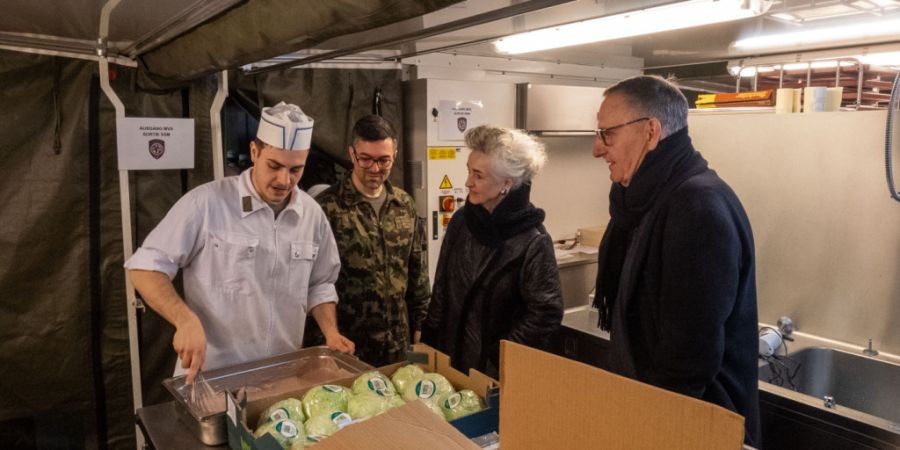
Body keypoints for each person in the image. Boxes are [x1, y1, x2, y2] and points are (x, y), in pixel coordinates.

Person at [126, 102, 354, 384]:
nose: (285, 180)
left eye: (296, 169)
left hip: (281, 376)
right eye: (274, 166)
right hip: (212, 376)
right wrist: (183, 320)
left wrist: (331, 333)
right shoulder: (207, 203)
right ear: (255, 152)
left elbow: (320, 283)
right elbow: (145, 268)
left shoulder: (312, 215)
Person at [591, 75, 759, 446]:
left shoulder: (697, 206)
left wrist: (656, 430)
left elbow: (689, 360)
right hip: (651, 413)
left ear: (651, 132)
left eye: (607, 134)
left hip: (691, 426)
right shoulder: (643, 201)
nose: (597, 149)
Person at [421, 125, 563, 379]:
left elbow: (546, 313)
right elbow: (442, 287)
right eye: (468, 171)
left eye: (478, 175)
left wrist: (499, 357)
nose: (468, 182)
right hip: (448, 362)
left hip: (496, 374)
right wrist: (428, 342)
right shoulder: (462, 221)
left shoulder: (533, 241)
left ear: (506, 184)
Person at [304, 115, 430, 367]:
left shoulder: (404, 205)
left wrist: (421, 327)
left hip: (396, 344)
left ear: (395, 153)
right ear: (352, 154)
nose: (375, 169)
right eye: (366, 159)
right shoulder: (326, 209)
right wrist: (325, 340)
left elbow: (418, 274)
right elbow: (310, 282)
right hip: (345, 345)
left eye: (384, 160)